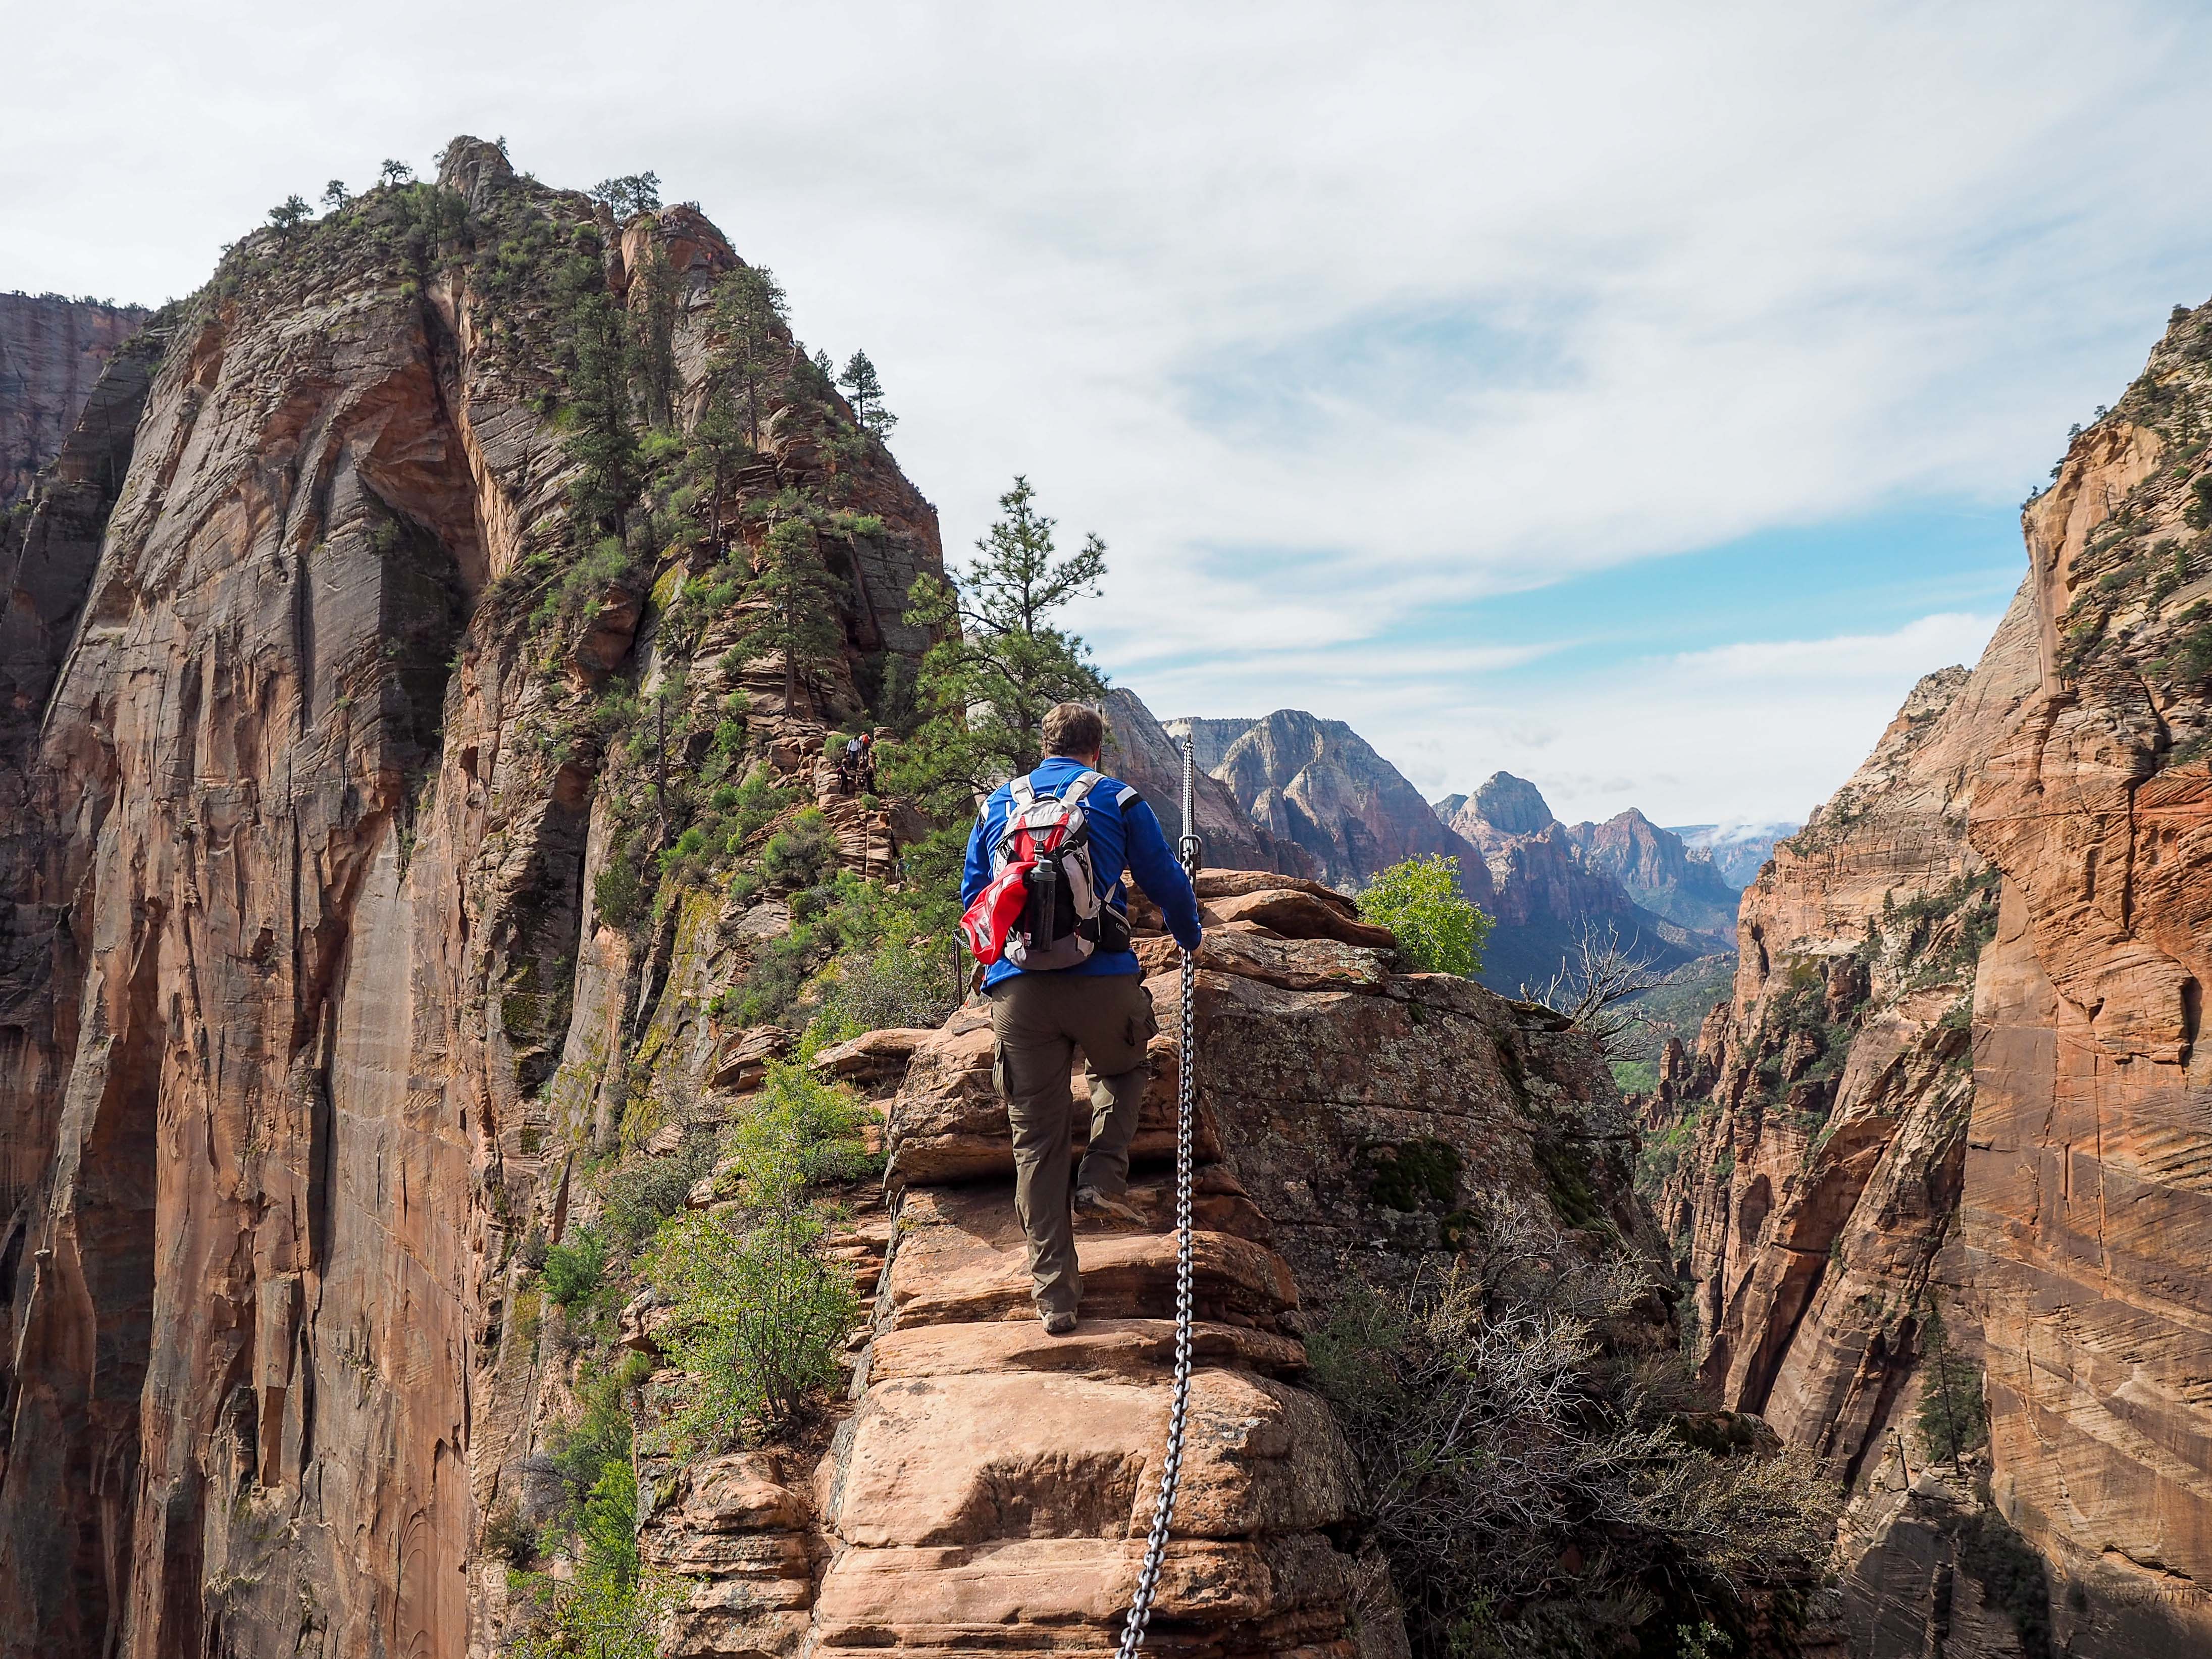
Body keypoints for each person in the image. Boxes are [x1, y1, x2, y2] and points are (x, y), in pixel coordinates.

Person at [961, 702, 1203, 1334]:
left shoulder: (995, 807)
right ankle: (1101, 1174)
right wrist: (1191, 938)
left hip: (1020, 993)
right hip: (1102, 982)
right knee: (1124, 1070)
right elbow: (1165, 880)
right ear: (1096, 749)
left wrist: (994, 972)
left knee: (1035, 1143)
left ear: (1044, 746)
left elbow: (971, 903)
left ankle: (1056, 1298)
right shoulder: (1117, 799)